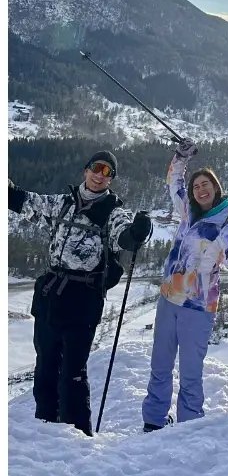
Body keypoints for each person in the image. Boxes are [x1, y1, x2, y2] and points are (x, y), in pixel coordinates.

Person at [8, 152, 151, 434]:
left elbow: (123, 235)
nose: (100, 175)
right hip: (51, 295)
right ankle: (44, 425)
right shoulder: (63, 203)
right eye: (96, 168)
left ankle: (76, 433)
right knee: (45, 364)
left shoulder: (113, 211)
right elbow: (26, 202)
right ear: (85, 170)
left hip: (83, 299)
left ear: (111, 179)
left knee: (72, 371)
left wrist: (136, 232)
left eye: (107, 172)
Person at [144, 140, 228, 431]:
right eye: (196, 187)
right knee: (160, 366)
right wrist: (180, 157)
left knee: (191, 373)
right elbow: (174, 183)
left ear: (216, 188)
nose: (200, 190)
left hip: (198, 307)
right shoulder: (188, 212)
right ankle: (154, 420)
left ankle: (188, 427)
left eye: (206, 184)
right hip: (169, 299)